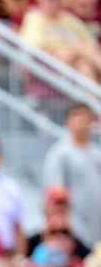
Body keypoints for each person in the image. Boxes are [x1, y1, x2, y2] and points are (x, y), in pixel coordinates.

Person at [44, 103, 101, 247]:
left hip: (97, 225)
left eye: (86, 116)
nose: (82, 120)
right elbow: (55, 195)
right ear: (67, 121)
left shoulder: (96, 152)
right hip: (75, 227)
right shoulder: (61, 153)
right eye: (77, 115)